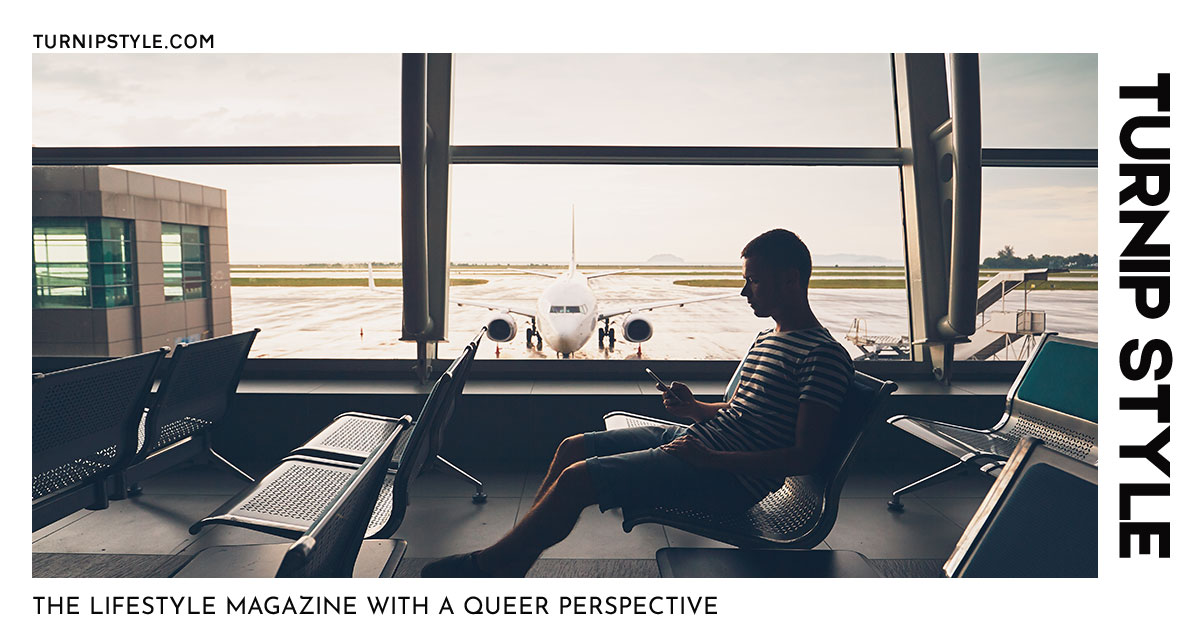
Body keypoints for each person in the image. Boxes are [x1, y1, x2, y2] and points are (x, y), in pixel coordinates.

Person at [421, 228, 854, 578]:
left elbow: (803, 456)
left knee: (576, 480)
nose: (745, 292)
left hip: (727, 478)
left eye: (753, 280)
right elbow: (744, 414)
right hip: (702, 439)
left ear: (791, 279)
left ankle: (489, 566)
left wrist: (709, 460)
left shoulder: (823, 355)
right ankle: (512, 558)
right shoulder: (769, 339)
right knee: (573, 447)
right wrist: (696, 409)